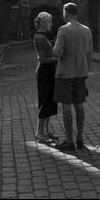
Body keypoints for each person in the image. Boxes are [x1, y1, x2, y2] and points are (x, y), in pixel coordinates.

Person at [52, 2, 93, 152]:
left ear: (66, 12)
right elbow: (90, 54)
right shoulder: (87, 30)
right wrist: (86, 71)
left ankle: (69, 141)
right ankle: (80, 139)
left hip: (65, 73)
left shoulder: (63, 30)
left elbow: (56, 52)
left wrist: (53, 48)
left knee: (67, 107)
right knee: (79, 105)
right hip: (81, 73)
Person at [33, 12, 59, 145]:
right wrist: (57, 58)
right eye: (50, 21)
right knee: (44, 101)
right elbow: (42, 59)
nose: (51, 24)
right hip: (44, 72)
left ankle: (46, 131)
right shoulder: (40, 37)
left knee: (49, 101)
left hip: (49, 71)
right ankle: (39, 133)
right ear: (44, 22)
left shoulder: (43, 36)